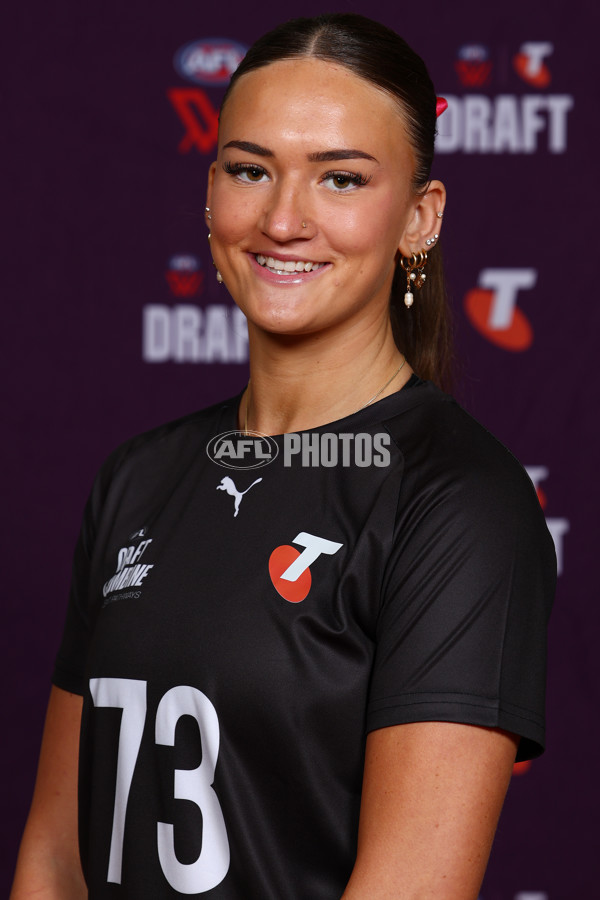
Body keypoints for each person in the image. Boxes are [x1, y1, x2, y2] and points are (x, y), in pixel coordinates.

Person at [11, 13, 556, 900]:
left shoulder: (459, 501)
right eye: (250, 170)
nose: (283, 219)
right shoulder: (135, 478)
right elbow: (56, 859)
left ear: (419, 217)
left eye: (341, 178)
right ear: (211, 190)